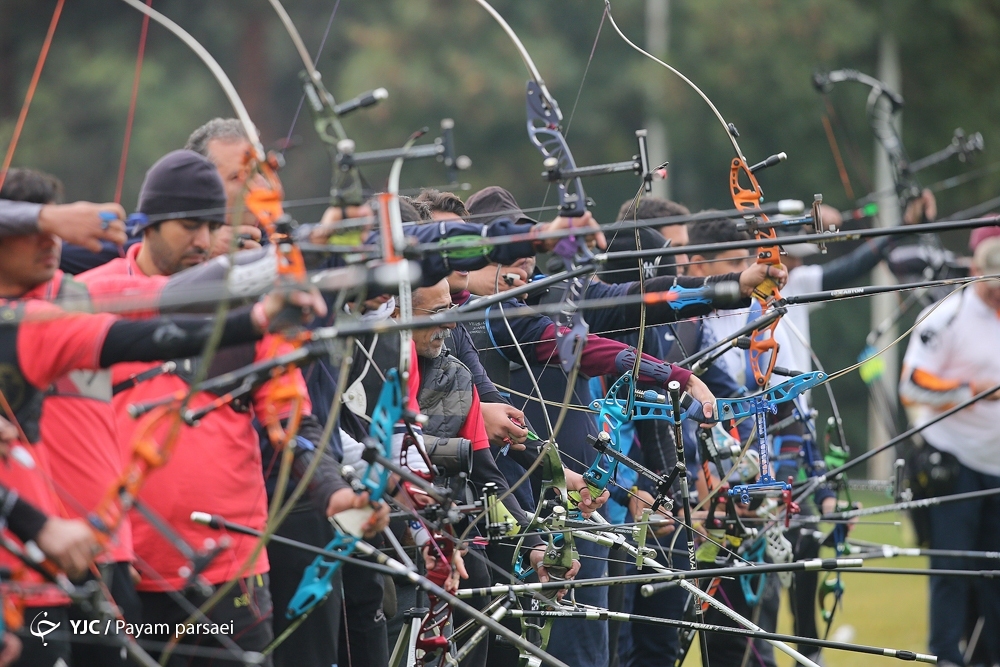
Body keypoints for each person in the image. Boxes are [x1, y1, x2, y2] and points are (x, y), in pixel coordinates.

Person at [77, 149, 375, 666]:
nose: (201, 240)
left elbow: (291, 419)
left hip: (229, 570)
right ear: (147, 223)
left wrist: (331, 489)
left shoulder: (253, 308)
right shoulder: (95, 295)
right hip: (115, 563)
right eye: (188, 226)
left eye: (211, 225)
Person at [899, 236, 1000, 667]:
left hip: (997, 468)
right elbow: (912, 383)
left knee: (995, 576)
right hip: (954, 461)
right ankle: (946, 659)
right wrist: (969, 391)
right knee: (953, 570)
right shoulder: (947, 314)